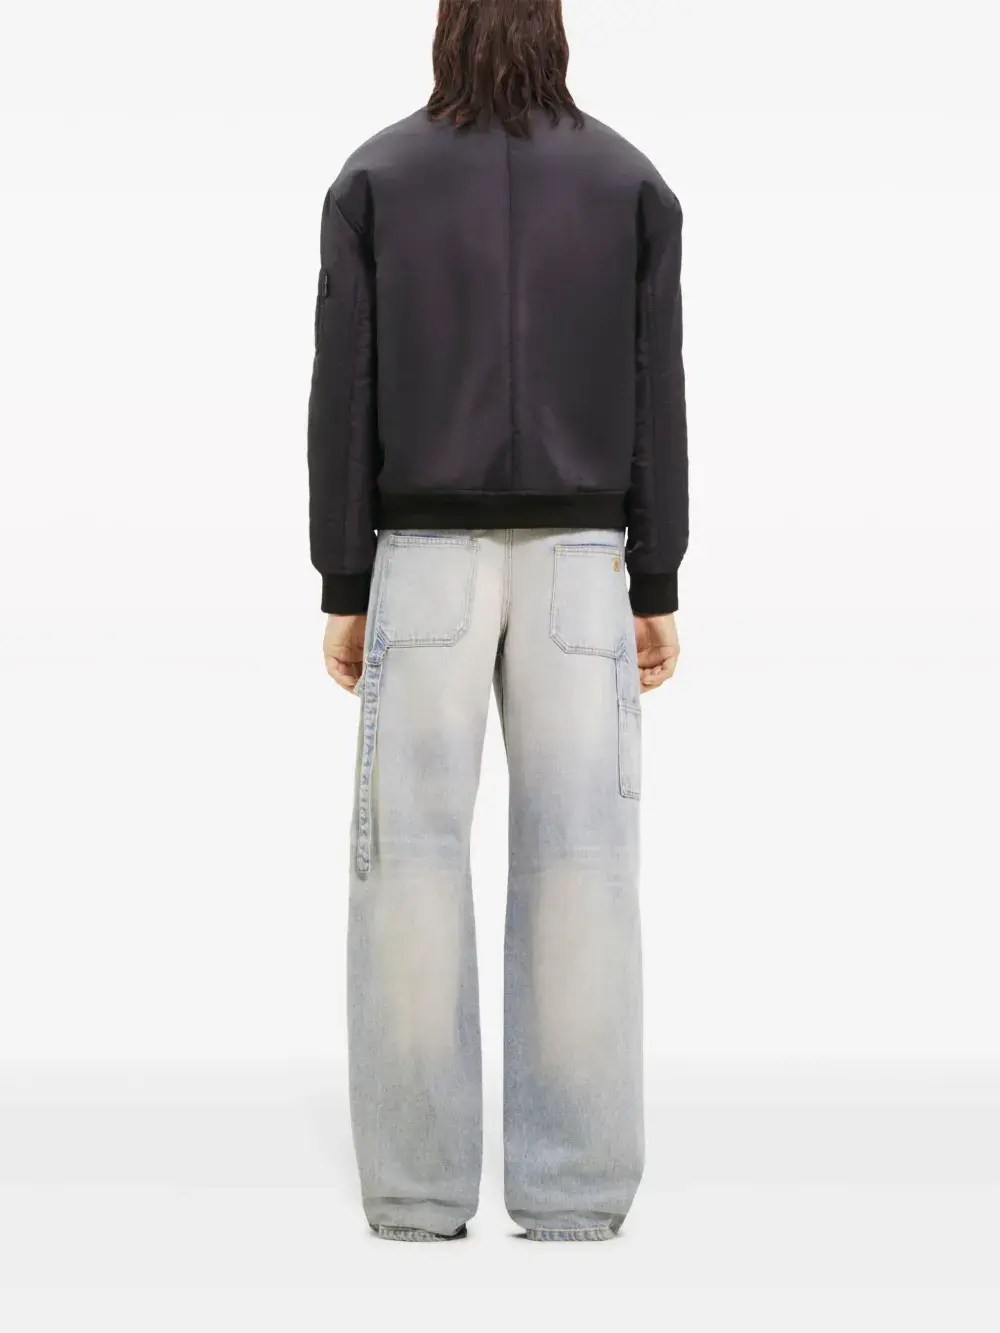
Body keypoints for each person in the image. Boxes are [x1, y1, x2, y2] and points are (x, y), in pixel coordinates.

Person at [307, 0, 688, 1243]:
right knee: (584, 869)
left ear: (448, 25)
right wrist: (655, 579)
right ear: (553, 27)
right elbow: (657, 393)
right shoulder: (630, 183)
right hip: (583, 565)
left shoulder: (375, 180)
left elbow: (343, 394)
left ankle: (417, 1193)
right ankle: (573, 1191)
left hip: (421, 561)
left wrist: (345, 582)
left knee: (407, 871)